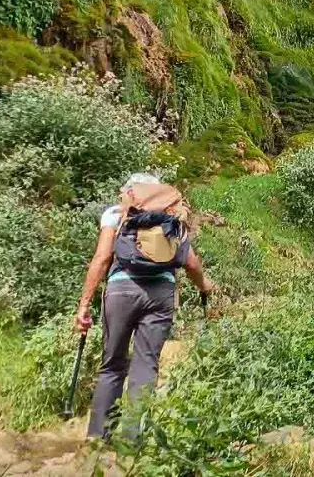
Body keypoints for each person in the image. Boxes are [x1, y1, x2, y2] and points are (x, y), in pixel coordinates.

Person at [74, 172, 215, 441]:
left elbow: (102, 258)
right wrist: (204, 286)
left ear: (130, 192)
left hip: (120, 291)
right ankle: (131, 442)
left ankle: (97, 439)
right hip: (160, 295)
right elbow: (191, 263)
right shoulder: (172, 215)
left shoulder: (116, 214)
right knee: (145, 366)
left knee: (112, 365)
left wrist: (84, 305)